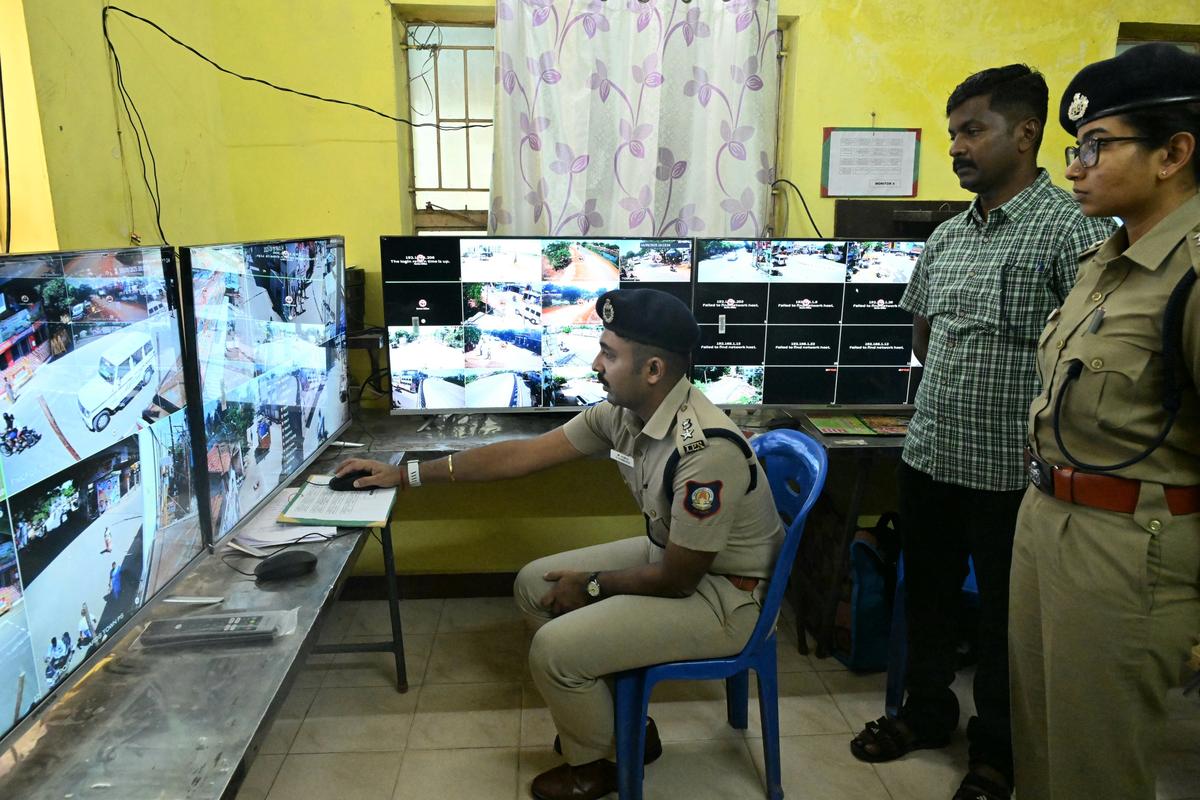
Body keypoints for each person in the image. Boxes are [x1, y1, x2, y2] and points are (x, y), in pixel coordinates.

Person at [337, 288, 783, 800]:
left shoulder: (704, 450)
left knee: (554, 650)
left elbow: (679, 581)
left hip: (726, 595)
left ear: (654, 370)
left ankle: (600, 765)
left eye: (610, 354)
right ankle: (627, 733)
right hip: (679, 557)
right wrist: (405, 473)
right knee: (534, 584)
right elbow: (521, 456)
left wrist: (592, 587)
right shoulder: (625, 413)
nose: (596, 364)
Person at [847, 64, 1116, 800]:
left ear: (1026, 132)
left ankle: (998, 751)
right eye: (953, 134)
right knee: (926, 600)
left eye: (974, 131)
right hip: (932, 453)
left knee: (1005, 623)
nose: (959, 147)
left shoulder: (1077, 231)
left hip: (1014, 473)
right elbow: (926, 337)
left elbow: (1093, 359)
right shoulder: (947, 236)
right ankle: (927, 714)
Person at [1012, 43, 1200, 800]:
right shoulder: (1105, 259)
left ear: (1174, 152)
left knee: (1096, 770)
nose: (1075, 166)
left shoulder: (1190, 273)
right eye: (1074, 147)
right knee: (1044, 752)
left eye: (1097, 146)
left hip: (1133, 550)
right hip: (1050, 521)